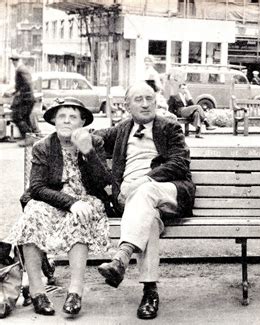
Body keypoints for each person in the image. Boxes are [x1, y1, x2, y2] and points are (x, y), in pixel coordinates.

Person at [95, 82, 196, 320]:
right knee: (148, 221)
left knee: (144, 192)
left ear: (156, 101)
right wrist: (75, 136)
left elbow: (180, 163)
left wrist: (145, 180)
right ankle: (150, 292)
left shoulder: (169, 128)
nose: (145, 103)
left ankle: (122, 255)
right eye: (138, 99)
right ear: (127, 105)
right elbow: (94, 139)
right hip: (138, 207)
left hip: (169, 192)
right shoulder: (122, 129)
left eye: (149, 98)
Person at [5, 97, 112, 317]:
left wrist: (88, 152)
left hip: (87, 199)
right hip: (54, 200)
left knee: (82, 215)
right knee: (32, 214)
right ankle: (37, 291)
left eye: (73, 117)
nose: (66, 121)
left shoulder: (95, 142)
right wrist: (70, 203)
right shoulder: (43, 146)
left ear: (82, 122)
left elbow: (103, 182)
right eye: (61, 116)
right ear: (54, 120)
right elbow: (36, 188)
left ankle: (75, 291)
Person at [6, 54, 40, 146]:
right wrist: (13, 93)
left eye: (14, 60)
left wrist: (21, 94)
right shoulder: (22, 69)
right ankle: (31, 137)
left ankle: (28, 139)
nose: (13, 62)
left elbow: (27, 83)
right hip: (27, 98)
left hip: (26, 99)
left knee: (17, 117)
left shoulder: (20, 70)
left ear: (16, 61)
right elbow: (21, 86)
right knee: (24, 118)